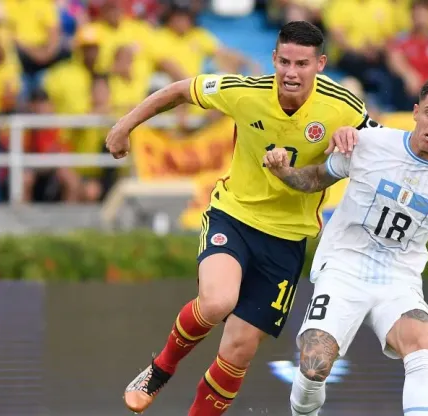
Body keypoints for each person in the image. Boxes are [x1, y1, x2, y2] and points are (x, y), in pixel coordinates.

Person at [104, 21, 377, 415]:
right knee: (217, 302)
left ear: (320, 64)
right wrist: (125, 125)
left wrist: (355, 138)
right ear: (273, 59)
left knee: (238, 350)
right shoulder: (245, 92)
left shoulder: (343, 107)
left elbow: (381, 142)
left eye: (301, 63)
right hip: (234, 216)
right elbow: (181, 90)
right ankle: (160, 369)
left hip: (286, 239)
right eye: (284, 61)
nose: (291, 72)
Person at [263, 75, 428, 416]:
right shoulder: (370, 143)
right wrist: (284, 172)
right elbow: (315, 179)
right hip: (343, 265)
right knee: (314, 365)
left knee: (418, 341)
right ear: (415, 112)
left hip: (398, 277)